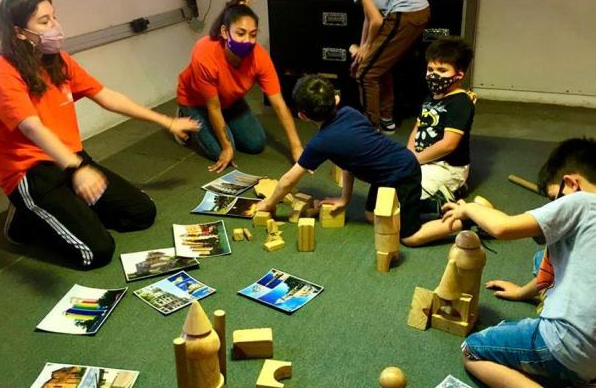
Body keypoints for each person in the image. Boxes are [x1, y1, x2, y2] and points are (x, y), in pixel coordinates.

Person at [0, 0, 199, 269]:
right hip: (31, 172)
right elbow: (32, 128)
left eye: (54, 17)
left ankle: (68, 210)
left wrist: (167, 121)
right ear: (19, 32)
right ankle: (24, 220)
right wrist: (77, 170)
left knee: (142, 213)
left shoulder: (61, 61)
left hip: (71, 157)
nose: (55, 26)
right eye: (44, 22)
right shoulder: (3, 70)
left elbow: (107, 97)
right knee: (95, 253)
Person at [441, 138, 596, 387]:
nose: (552, 205)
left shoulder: (580, 201)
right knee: (543, 256)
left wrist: (468, 209)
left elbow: (502, 227)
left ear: (570, 184)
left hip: (569, 345)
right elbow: (550, 265)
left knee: (471, 351)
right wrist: (522, 292)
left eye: (552, 198)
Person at [255, 74, 423, 240]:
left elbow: (288, 180)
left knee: (409, 237)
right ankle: (416, 206)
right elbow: (347, 161)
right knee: (371, 216)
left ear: (302, 116)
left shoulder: (320, 143)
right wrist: (345, 198)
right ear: (336, 99)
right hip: (385, 175)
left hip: (403, 173)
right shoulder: (349, 112)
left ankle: (446, 224)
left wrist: (269, 204)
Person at [176, 0, 303, 173]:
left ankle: (228, 124)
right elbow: (213, 107)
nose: (247, 41)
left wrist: (296, 147)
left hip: (230, 99)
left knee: (256, 144)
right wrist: (227, 148)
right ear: (225, 32)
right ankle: (182, 114)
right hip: (198, 102)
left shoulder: (260, 57)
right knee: (221, 151)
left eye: (252, 34)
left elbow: (279, 104)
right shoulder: (204, 53)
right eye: (240, 33)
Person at [348, 0, 430, 134]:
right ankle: (386, 120)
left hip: (406, 12)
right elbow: (370, 16)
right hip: (419, 10)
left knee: (365, 74)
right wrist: (363, 50)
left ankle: (371, 129)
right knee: (379, 66)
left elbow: (377, 21)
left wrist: (367, 47)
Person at [406, 36, 476, 201]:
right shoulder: (432, 97)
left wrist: (415, 161)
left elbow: (448, 144)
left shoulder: (460, 102)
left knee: (407, 193)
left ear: (459, 75)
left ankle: (452, 191)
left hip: (447, 167)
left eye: (442, 70)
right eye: (430, 70)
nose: (433, 75)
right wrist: (409, 155)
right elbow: (418, 127)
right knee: (392, 179)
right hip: (423, 160)